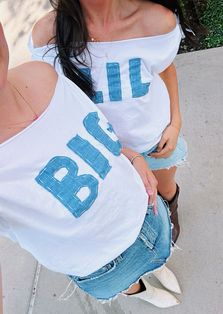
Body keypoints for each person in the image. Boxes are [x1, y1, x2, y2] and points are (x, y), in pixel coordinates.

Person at [0, 22, 181, 308]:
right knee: (128, 281)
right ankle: (141, 289)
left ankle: (156, 265)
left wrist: (130, 155)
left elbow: (96, 132)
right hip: (103, 264)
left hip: (144, 207)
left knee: (157, 253)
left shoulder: (40, 73)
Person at [30, 0, 190, 243]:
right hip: (101, 156)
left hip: (154, 141)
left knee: (165, 190)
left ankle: (171, 213)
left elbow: (167, 69)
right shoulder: (48, 34)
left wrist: (175, 123)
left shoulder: (158, 21)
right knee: (128, 205)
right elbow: (53, 102)